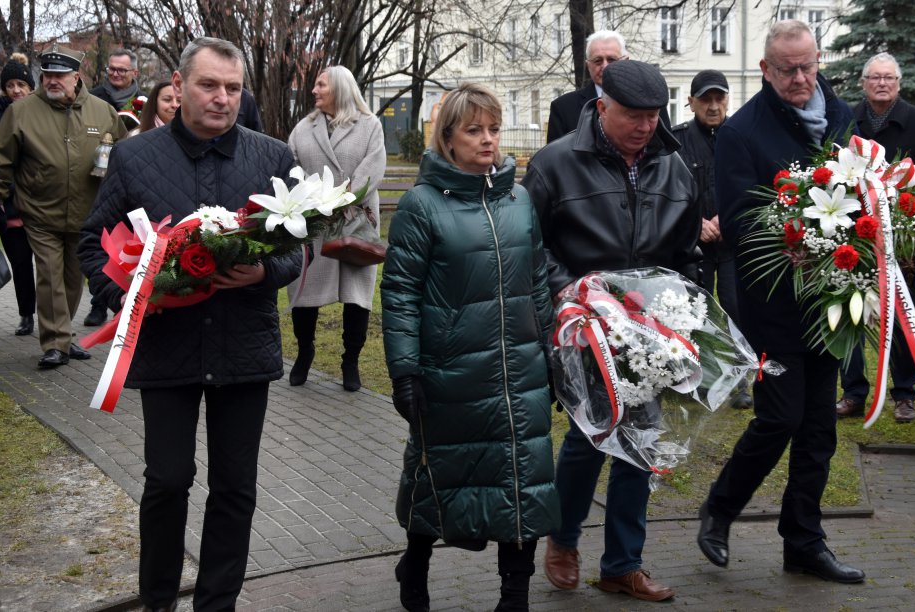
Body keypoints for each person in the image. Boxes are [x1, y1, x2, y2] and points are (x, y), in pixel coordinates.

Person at [78, 37, 300, 611]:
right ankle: (157, 600)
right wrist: (131, 296)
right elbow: (91, 244)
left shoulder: (271, 157)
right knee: (168, 480)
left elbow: (298, 249)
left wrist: (263, 274)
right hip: (168, 348)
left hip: (243, 347)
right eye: (208, 85)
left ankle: (217, 603)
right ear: (178, 86)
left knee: (234, 487)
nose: (221, 98)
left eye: (232, 88)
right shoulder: (135, 158)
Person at [524, 59, 701, 603]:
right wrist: (572, 295)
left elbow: (686, 251)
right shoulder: (555, 164)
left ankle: (623, 563)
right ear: (602, 106)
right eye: (632, 115)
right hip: (583, 326)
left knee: (642, 441)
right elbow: (530, 246)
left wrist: (681, 314)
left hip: (650, 333)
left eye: (653, 115)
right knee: (590, 436)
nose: (645, 126)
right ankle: (564, 538)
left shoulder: (675, 166)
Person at [697, 19, 865, 584]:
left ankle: (804, 541)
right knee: (779, 418)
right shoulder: (743, 132)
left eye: (807, 66)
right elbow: (739, 216)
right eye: (787, 69)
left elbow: (864, 189)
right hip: (774, 303)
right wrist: (787, 239)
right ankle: (719, 509)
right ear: (765, 70)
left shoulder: (843, 117)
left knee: (820, 427)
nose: (800, 78)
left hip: (833, 298)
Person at [381, 82, 558, 612]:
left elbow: (538, 281)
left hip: (519, 371)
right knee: (437, 478)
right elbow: (400, 293)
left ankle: (514, 595)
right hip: (451, 374)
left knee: (524, 482)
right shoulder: (421, 206)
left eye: (494, 129)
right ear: (449, 138)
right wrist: (405, 371)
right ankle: (415, 565)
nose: (488, 140)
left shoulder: (520, 199)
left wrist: (552, 355)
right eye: (474, 130)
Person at [0, 45, 125, 368]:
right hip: (38, 211)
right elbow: (1, 160)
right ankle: (55, 343)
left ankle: (65, 335)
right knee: (49, 275)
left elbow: (123, 152)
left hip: (87, 212)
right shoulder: (21, 112)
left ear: (76, 77)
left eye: (59, 75)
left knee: (74, 278)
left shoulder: (101, 112)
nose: (52, 81)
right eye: (47, 74)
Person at [835, 52, 915, 423]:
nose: (882, 83)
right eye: (874, 77)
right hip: (853, 237)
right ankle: (853, 392)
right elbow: (830, 169)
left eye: (888, 77)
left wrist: (912, 221)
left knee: (903, 315)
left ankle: (905, 394)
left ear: (899, 83)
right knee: (850, 313)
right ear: (863, 83)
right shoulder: (843, 121)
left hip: (900, 241)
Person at [286, 65, 386, 392]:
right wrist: (313, 201)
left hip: (355, 220)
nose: (314, 91)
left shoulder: (369, 125)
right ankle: (304, 353)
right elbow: (292, 168)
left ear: (340, 88)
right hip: (315, 221)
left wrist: (343, 198)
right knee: (304, 292)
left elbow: (373, 167)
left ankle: (350, 362)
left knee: (356, 296)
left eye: (320, 85)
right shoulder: (304, 127)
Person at [671, 69, 751, 410]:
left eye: (719, 98)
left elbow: (752, 187)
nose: (714, 105)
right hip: (693, 247)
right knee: (693, 314)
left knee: (736, 313)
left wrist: (725, 217)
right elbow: (669, 192)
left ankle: (741, 380)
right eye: (706, 99)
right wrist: (696, 223)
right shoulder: (676, 142)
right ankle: (693, 380)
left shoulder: (742, 136)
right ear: (691, 103)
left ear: (728, 100)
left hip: (733, 246)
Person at [83, 50, 144, 326]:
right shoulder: (94, 97)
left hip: (133, 179)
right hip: (97, 178)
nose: (116, 74)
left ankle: (127, 294)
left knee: (127, 243)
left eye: (122, 70)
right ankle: (98, 303)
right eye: (112, 69)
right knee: (102, 241)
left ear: (135, 73)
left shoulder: (143, 102)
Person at [0, 53, 37, 337]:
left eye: (21, 84)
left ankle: (57, 319)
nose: (16, 90)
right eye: (11, 85)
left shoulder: (41, 114)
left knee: (51, 267)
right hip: (8, 206)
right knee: (20, 263)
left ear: (30, 87)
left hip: (41, 204)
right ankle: (26, 314)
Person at [545, 30, 626, 143]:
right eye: (598, 61)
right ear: (588, 66)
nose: (605, 66)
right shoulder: (563, 108)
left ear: (626, 61)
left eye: (611, 59)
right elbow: (554, 157)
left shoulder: (647, 105)